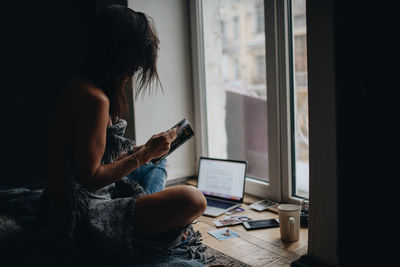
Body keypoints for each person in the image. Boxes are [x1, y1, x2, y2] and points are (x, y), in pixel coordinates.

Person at [45, 4, 207, 263]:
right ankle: (159, 226)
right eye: (134, 66)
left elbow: (92, 160)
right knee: (194, 199)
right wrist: (142, 155)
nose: (133, 74)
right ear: (120, 55)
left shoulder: (82, 85)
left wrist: (145, 151)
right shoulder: (94, 99)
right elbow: (91, 179)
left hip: (71, 200)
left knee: (159, 161)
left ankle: (157, 219)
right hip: (83, 216)